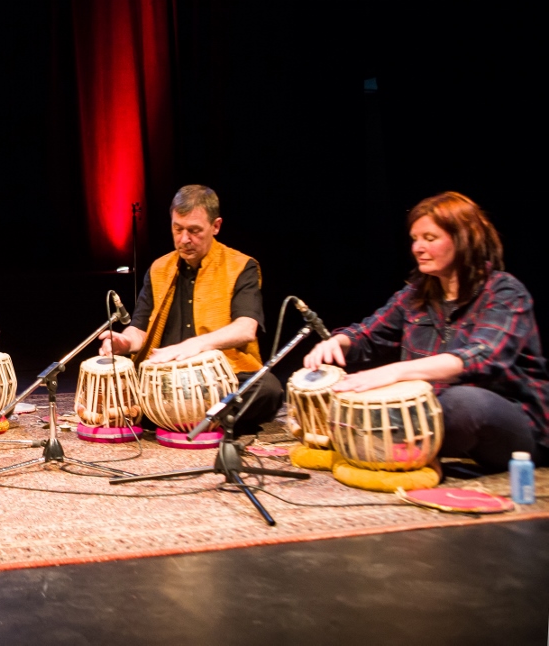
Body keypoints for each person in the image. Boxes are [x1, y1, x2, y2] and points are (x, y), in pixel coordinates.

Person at [304, 192, 548, 472]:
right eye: (415, 239)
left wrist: (395, 371)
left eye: (430, 238)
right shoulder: (416, 294)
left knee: (465, 402)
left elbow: (482, 357)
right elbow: (367, 333)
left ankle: (390, 447)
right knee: (356, 400)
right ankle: (394, 446)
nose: (417, 248)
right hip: (432, 417)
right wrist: (340, 342)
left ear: (464, 239)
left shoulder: (505, 292)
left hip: (512, 425)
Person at [99, 185, 281, 434]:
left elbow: (246, 328)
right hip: (161, 380)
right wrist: (123, 342)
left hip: (219, 380)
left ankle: (167, 416)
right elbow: (139, 329)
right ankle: (201, 418)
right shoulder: (159, 268)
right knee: (112, 383)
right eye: (178, 229)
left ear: (215, 226)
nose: (184, 239)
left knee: (268, 390)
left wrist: (193, 345)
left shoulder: (241, 266)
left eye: (194, 231)